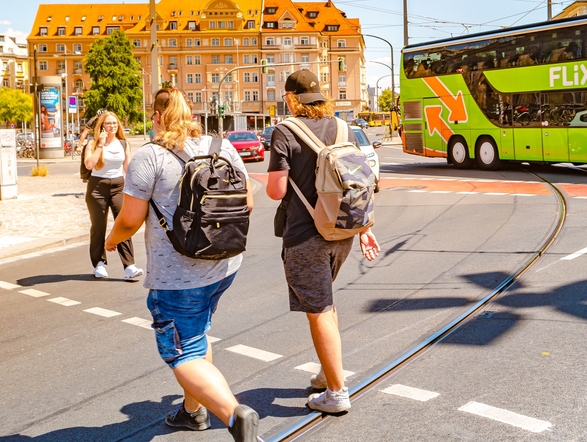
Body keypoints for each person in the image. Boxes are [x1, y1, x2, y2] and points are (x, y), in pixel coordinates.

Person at [104, 88, 259, 441]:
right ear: (191, 112)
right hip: (225, 264)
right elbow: (247, 200)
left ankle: (234, 416)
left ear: (156, 116)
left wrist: (110, 240)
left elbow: (130, 219)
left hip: (178, 276)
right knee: (197, 334)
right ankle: (193, 411)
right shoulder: (222, 146)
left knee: (182, 351)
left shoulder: (151, 156)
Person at [266, 70, 381, 414]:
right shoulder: (343, 128)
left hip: (305, 236)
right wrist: (364, 228)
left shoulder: (285, 132)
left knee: (318, 311)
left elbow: (276, 190)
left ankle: (336, 392)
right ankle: (325, 372)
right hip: (342, 231)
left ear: (290, 98)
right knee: (325, 302)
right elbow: (358, 180)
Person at [83, 110, 141, 280]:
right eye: (108, 123)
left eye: (114, 123)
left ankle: (129, 265)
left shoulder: (123, 144)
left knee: (124, 223)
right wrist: (100, 145)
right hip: (97, 188)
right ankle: (99, 264)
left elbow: (127, 168)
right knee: (98, 226)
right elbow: (89, 164)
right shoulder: (92, 145)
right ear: (101, 126)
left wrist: (135, 188)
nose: (112, 126)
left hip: (118, 186)